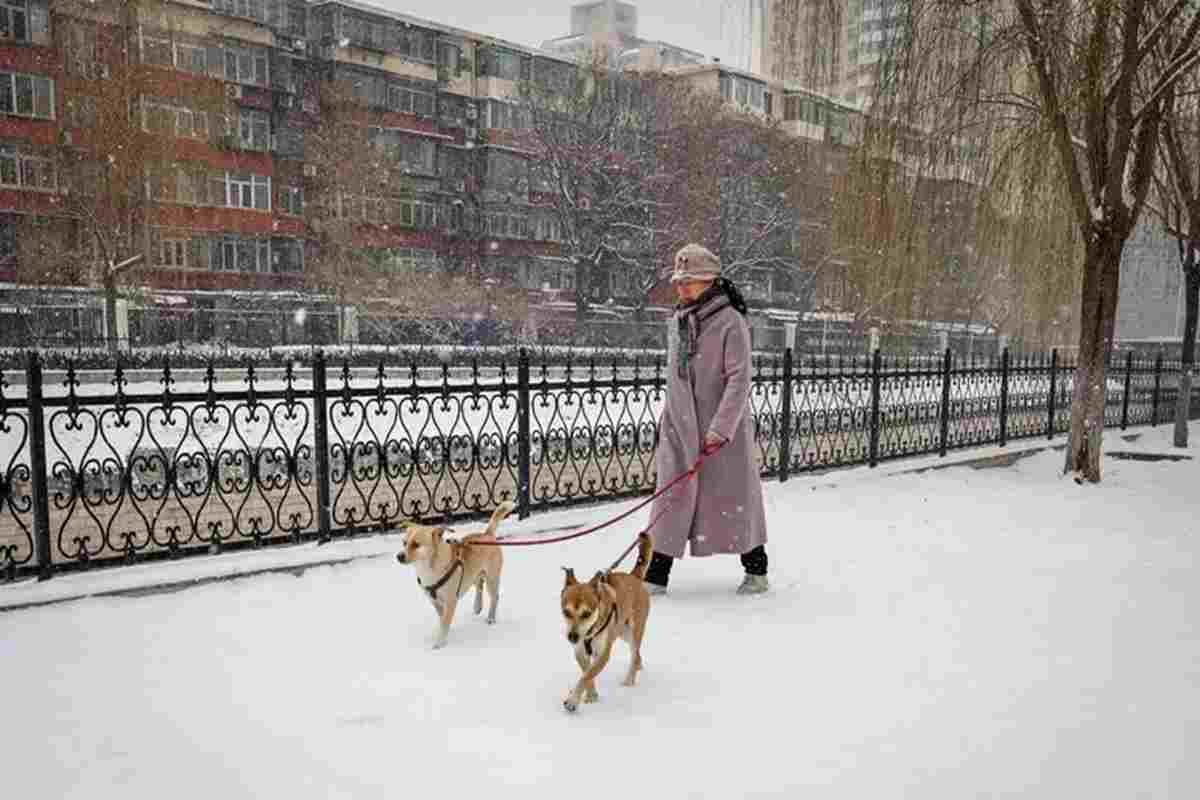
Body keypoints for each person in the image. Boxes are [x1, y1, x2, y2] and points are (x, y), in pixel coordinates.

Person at [643, 243, 769, 596]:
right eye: (679, 280)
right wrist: (670, 420)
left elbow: (739, 378)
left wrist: (720, 429)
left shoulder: (731, 322)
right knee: (670, 497)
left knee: (734, 499)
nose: (681, 287)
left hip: (719, 432)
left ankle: (756, 569)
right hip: (679, 428)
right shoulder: (679, 320)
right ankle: (656, 574)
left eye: (689, 280)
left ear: (709, 281)